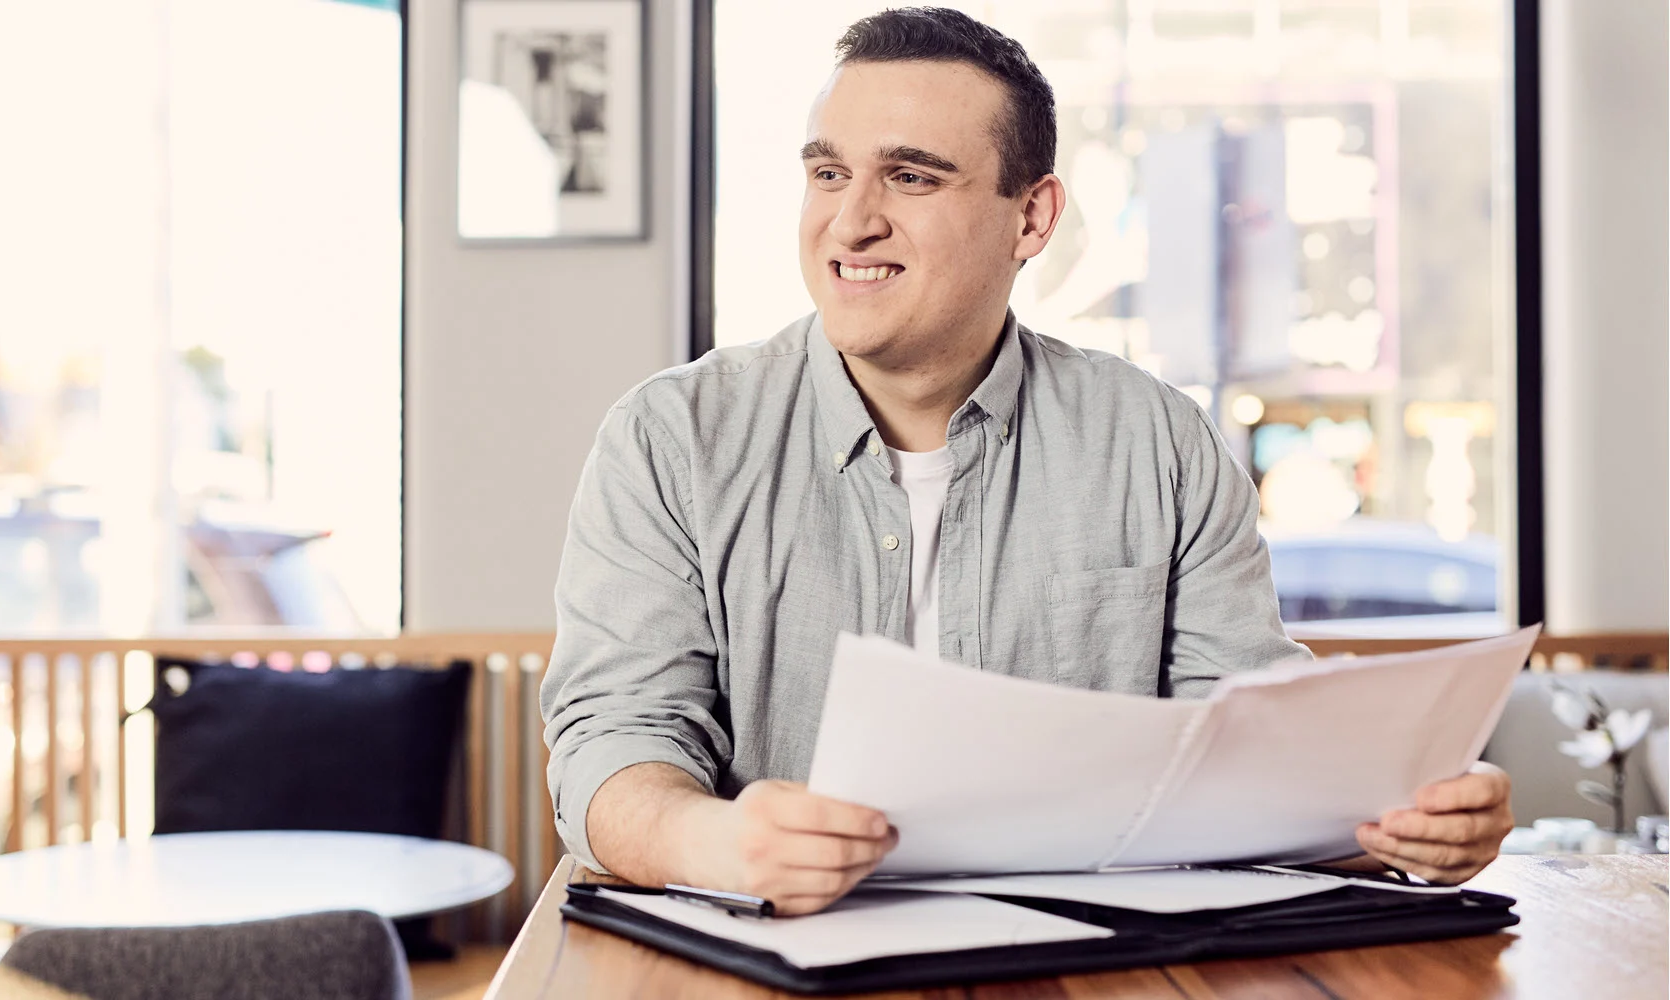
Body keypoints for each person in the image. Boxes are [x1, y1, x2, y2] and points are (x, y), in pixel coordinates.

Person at [540, 6, 1513, 916]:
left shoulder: (1158, 443)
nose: (849, 221)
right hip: (774, 957)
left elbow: (1244, 754)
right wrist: (716, 841)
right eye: (828, 173)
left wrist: (1402, 824)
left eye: (910, 177)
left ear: (1032, 219)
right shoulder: (670, 440)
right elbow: (611, 740)